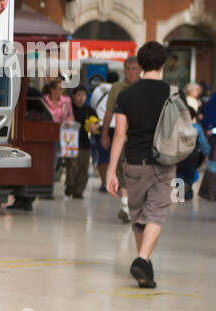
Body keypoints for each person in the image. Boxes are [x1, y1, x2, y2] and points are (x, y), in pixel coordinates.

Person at [107, 42, 176, 289]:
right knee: (156, 212)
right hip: (163, 163)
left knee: (138, 216)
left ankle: (144, 265)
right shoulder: (172, 93)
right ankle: (142, 259)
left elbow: (119, 134)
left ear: (141, 64)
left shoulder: (126, 95)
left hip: (133, 163)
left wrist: (110, 171)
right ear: (163, 64)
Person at [102, 55, 141, 222]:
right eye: (128, 69)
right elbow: (109, 112)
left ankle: (135, 204)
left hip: (140, 137)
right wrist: (104, 134)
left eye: (134, 69)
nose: (131, 72)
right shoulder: (117, 88)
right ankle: (125, 204)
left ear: (140, 70)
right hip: (121, 136)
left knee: (138, 171)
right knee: (122, 168)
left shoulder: (144, 87)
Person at [64, 85, 95, 199]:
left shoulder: (89, 110)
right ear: (73, 96)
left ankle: (79, 191)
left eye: (83, 95)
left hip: (84, 143)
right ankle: (70, 185)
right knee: (71, 166)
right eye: (78, 95)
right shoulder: (68, 109)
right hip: (70, 142)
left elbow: (96, 125)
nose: (81, 98)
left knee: (83, 168)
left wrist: (94, 127)